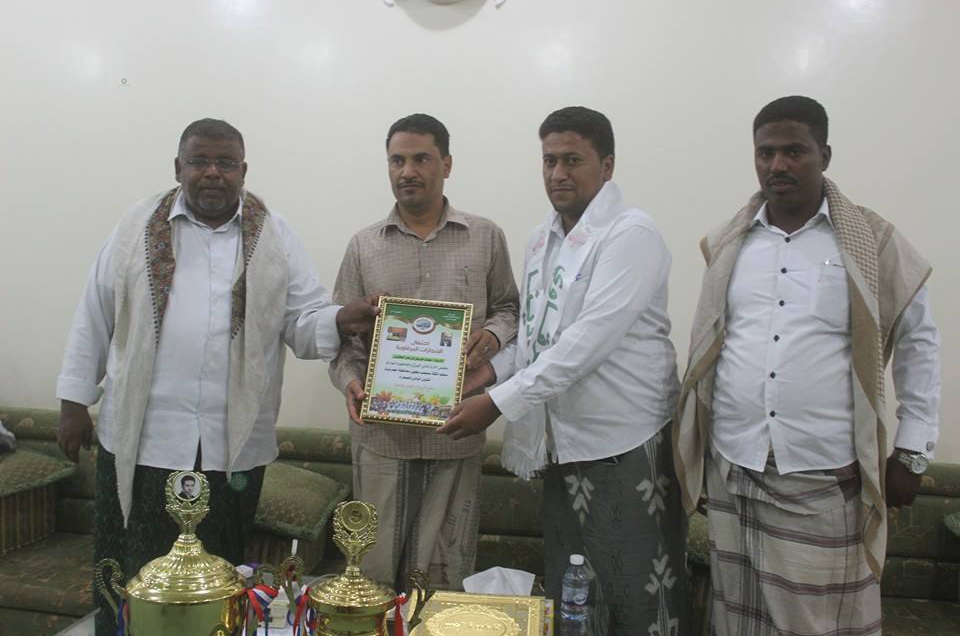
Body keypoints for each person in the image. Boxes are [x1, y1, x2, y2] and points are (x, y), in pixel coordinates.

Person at [56, 118, 379, 636]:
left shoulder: (274, 234)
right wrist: (74, 401)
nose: (212, 172)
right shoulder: (135, 227)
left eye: (225, 162)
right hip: (145, 440)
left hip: (232, 445)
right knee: (135, 574)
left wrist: (339, 320)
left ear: (243, 171)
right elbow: (96, 312)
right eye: (200, 161)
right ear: (178, 167)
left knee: (220, 578)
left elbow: (301, 320)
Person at [673, 95, 941, 635]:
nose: (778, 164)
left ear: (825, 155)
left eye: (794, 151)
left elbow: (919, 344)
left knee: (818, 624)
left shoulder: (871, 241)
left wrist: (913, 450)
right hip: (734, 464)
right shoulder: (730, 242)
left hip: (821, 472)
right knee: (737, 619)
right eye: (765, 152)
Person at [438, 106, 690, 635]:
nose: (557, 173)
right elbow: (537, 337)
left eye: (572, 160)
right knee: (573, 593)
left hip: (624, 441)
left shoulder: (630, 234)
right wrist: (482, 378)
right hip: (563, 441)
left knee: (640, 592)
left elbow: (584, 344)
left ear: (607, 165)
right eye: (549, 161)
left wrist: (496, 404)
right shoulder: (541, 239)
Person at [329, 113, 519, 590]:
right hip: (381, 437)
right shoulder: (363, 246)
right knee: (371, 575)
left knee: (444, 577)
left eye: (421, 159)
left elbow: (511, 309)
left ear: (447, 165)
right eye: (397, 160)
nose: (407, 171)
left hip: (454, 433)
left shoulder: (485, 236)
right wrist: (350, 381)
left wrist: (493, 336)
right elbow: (343, 335)